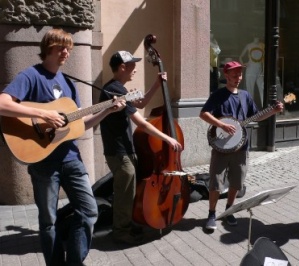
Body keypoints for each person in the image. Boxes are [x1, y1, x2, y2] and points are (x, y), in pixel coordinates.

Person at [0, 28, 126, 265]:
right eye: (61, 47)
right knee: (48, 221)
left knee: (89, 211)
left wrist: (107, 110)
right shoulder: (30, 76)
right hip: (44, 163)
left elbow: (80, 125)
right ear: (48, 48)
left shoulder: (68, 84)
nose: (66, 52)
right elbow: (2, 103)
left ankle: (75, 261)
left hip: (71, 158)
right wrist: (41, 114)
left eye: (68, 47)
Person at [99, 50, 182, 245]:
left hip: (125, 149)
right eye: (132, 66)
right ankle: (120, 231)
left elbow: (142, 102)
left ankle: (127, 223)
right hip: (119, 151)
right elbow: (142, 124)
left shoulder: (119, 88)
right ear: (122, 67)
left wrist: (157, 83)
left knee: (130, 191)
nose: (135, 69)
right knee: (124, 193)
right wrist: (168, 139)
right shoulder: (114, 90)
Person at [199, 61, 283, 230]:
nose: (238, 78)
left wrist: (272, 111)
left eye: (240, 74)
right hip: (221, 147)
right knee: (215, 182)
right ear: (226, 75)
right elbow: (204, 114)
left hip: (241, 147)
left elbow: (255, 116)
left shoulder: (245, 95)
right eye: (234, 74)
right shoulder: (218, 95)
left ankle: (229, 211)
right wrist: (221, 125)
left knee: (237, 183)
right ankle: (211, 214)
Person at [239, 37, 265, 107]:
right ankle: (250, 108)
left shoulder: (262, 45)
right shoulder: (249, 45)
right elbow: (241, 56)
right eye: (255, 37)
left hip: (260, 70)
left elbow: (265, 58)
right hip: (251, 68)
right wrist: (243, 64)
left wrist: (264, 69)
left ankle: (264, 106)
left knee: (262, 88)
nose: (257, 38)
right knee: (250, 89)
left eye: (258, 37)